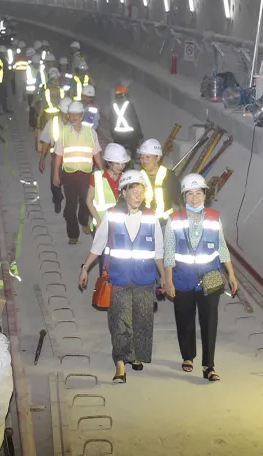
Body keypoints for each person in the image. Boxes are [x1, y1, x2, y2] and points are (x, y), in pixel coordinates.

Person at [78, 169, 163, 383]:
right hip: (119, 276)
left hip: (145, 277)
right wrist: (85, 268)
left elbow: (159, 251)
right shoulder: (112, 215)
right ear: (123, 193)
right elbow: (98, 244)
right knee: (119, 319)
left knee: (143, 319)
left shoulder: (151, 217)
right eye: (133, 191)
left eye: (141, 191)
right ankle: (120, 362)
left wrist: (165, 277)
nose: (137, 195)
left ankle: (136, 355)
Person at [163, 174, 239, 382]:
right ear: (183, 196)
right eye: (190, 193)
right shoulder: (174, 220)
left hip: (211, 276)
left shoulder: (214, 218)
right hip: (183, 277)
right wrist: (168, 280)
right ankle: (188, 356)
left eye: (198, 193)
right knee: (184, 319)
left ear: (205, 195)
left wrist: (231, 274)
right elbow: (169, 252)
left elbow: (222, 248)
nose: (195, 198)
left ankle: (209, 366)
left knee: (209, 321)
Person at [53, 100, 103, 244]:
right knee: (70, 206)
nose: (73, 117)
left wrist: (102, 171)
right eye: (71, 115)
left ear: (82, 115)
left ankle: (83, 220)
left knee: (87, 202)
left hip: (86, 174)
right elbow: (58, 155)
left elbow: (96, 153)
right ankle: (73, 234)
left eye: (76, 115)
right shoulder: (64, 133)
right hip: (69, 176)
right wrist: (55, 174)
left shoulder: (91, 133)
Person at [85, 142, 128, 231]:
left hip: (121, 225)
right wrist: (98, 220)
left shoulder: (126, 178)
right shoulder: (97, 177)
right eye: (117, 163)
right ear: (109, 162)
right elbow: (89, 200)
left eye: (123, 163)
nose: (121, 167)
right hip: (101, 224)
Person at [138, 138, 177, 221]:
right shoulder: (138, 176)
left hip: (165, 222)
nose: (144, 161)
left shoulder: (169, 175)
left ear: (157, 158)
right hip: (145, 222)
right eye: (141, 157)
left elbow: (178, 199)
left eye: (147, 157)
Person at [37, 106, 65, 214]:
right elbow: (46, 140)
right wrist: (42, 158)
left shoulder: (76, 123)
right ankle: (57, 200)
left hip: (71, 157)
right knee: (55, 179)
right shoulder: (53, 122)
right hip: (56, 155)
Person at [106, 84, 142, 155]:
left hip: (118, 137)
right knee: (133, 153)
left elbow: (111, 122)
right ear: (126, 95)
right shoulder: (129, 105)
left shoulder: (113, 107)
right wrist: (140, 136)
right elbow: (135, 121)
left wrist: (113, 135)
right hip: (131, 137)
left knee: (118, 155)